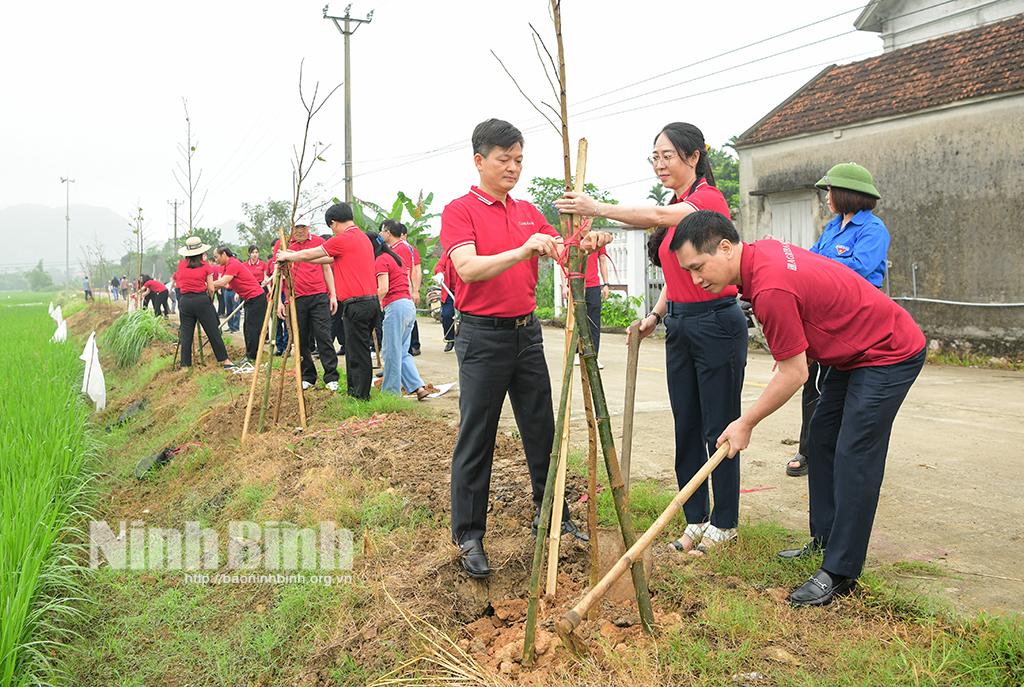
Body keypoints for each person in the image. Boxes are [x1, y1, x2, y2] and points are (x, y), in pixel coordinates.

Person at [672, 210, 926, 606]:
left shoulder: (771, 288)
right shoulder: (764, 255)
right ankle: (825, 539)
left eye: (698, 267)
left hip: (888, 351)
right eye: (687, 271)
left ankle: (840, 571)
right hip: (852, 353)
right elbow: (800, 347)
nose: (695, 279)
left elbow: (793, 374)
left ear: (725, 247)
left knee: (854, 453)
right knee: (821, 438)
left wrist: (745, 423)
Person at [555, 122, 746, 556]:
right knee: (687, 427)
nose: (660, 165)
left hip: (716, 323)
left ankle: (725, 523)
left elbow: (658, 218)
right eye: (655, 157)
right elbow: (678, 277)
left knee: (720, 428)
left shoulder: (706, 202)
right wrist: (655, 316)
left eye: (668, 156)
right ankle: (695, 518)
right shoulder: (678, 202)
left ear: (694, 157)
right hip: (680, 325)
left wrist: (597, 206)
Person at [441, 118, 604, 578]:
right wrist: (523, 249)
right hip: (481, 336)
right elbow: (468, 269)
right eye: (503, 159)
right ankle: (469, 534)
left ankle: (552, 514)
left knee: (541, 429)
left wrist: (585, 242)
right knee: (478, 434)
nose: (513, 167)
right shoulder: (461, 211)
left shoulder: (528, 210)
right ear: (479, 160)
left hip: (526, 333)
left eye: (518, 159)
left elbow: (560, 246)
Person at [784, 162, 890, 478]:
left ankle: (846, 451)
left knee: (851, 388)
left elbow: (859, 268)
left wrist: (821, 263)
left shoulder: (873, 229)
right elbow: (811, 259)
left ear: (847, 194)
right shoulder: (832, 227)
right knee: (813, 381)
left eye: (830, 190)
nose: (827, 196)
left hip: (856, 320)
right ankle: (809, 449)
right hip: (824, 315)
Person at [276, 203, 379, 401]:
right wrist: (295, 259)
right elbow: (325, 260)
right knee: (358, 350)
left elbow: (312, 253)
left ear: (333, 223)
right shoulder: (362, 238)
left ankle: (360, 396)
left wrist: (288, 255)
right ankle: (356, 392)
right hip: (370, 303)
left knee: (357, 354)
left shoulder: (342, 238)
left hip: (356, 304)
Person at [269, 225, 340, 392]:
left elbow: (326, 267)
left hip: (319, 296)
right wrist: (279, 300)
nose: (300, 231)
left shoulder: (318, 242)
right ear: (292, 228)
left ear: (308, 227)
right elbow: (278, 273)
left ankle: (331, 376)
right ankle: (308, 376)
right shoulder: (283, 244)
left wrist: (333, 294)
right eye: (296, 227)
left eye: (303, 227)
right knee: (300, 339)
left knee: (323, 335)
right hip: (295, 298)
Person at [377, 221, 429, 399]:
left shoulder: (391, 253)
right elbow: (413, 272)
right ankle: (418, 387)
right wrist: (413, 292)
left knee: (391, 351)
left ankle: (390, 393)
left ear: (388, 233)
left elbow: (385, 287)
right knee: (402, 350)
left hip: (397, 303)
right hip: (406, 302)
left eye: (382, 231)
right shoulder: (406, 249)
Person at [173, 237, 235, 369]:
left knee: (186, 334)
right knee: (213, 331)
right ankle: (225, 360)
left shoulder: (181, 265)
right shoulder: (206, 265)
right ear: (201, 252)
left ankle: (185, 365)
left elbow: (179, 283)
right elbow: (211, 288)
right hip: (201, 300)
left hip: (185, 301)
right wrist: (209, 300)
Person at [212, 246, 266, 362]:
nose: (215, 260)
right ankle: (250, 354)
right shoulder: (227, 266)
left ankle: (252, 357)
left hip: (256, 298)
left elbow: (223, 282)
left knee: (252, 329)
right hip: (249, 299)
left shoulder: (233, 264)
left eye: (216, 257)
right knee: (247, 328)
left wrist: (205, 284)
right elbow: (227, 285)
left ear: (224, 254)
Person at [394, 224, 423, 356]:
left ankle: (415, 344)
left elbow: (416, 270)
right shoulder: (391, 249)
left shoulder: (409, 249)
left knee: (410, 318)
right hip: (401, 290)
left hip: (407, 288)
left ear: (404, 235)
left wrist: (415, 289)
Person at [434, 253, 458, 352]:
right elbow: (440, 265)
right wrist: (439, 273)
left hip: (465, 290)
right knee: (447, 314)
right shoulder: (448, 253)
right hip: (449, 290)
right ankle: (450, 339)